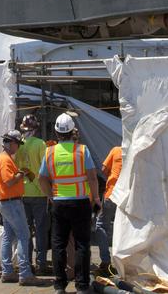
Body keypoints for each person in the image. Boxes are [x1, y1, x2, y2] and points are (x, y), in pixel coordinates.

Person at [38, 113, 99, 293]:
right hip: (80, 203)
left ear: (56, 132)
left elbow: (42, 179)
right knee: (82, 244)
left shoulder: (49, 152)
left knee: (58, 245)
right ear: (73, 131)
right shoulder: (82, 150)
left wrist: (50, 196)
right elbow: (93, 177)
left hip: (59, 204)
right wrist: (96, 199)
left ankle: (59, 285)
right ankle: (81, 286)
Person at [0, 131, 40, 285]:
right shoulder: (5, 160)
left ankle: (7, 272)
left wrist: (20, 172)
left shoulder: (5, 158)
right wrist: (22, 173)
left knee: (9, 236)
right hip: (12, 203)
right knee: (24, 235)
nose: (18, 148)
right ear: (11, 143)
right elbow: (9, 182)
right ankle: (25, 274)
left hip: (7, 202)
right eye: (17, 144)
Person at [16, 114, 51, 274]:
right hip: (40, 193)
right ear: (36, 129)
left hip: (23, 193)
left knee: (26, 230)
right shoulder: (40, 144)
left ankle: (27, 263)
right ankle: (41, 264)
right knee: (41, 230)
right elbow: (45, 170)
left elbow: (17, 168)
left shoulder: (18, 145)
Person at [95, 144, 123, 275]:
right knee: (124, 228)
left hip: (112, 193)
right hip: (128, 196)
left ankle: (105, 262)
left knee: (101, 225)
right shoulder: (137, 152)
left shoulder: (116, 150)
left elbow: (104, 169)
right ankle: (123, 263)